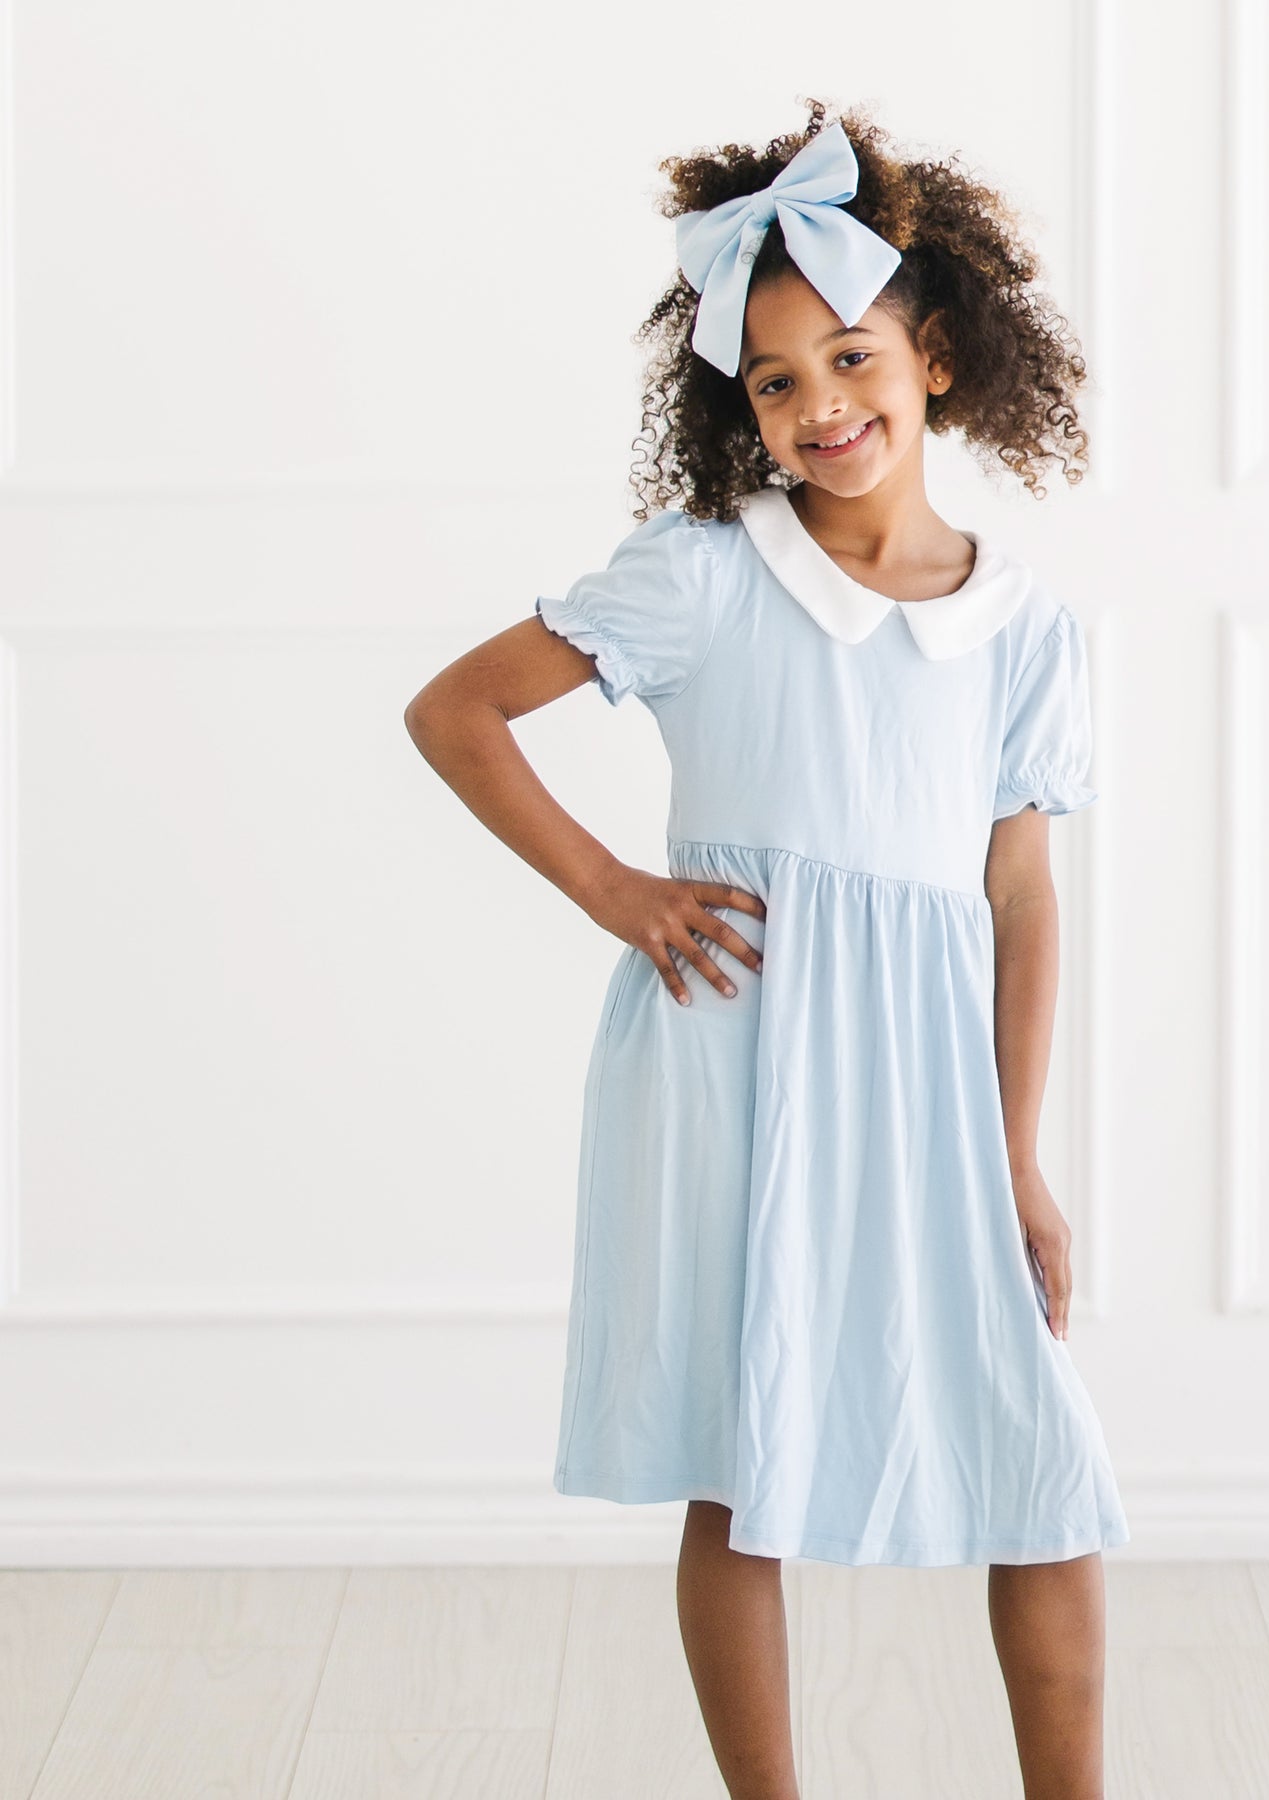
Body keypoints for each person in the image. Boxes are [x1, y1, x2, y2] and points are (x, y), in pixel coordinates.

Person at [404, 100, 1127, 1800]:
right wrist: (616, 891)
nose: (821, 409)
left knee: (1039, 1460)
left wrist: (1015, 1159)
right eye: (775, 381)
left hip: (931, 1086)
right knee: (744, 1453)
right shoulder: (705, 580)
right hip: (736, 1058)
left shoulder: (1024, 632)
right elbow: (457, 713)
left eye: (852, 359)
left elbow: (1016, 902)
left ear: (937, 359)